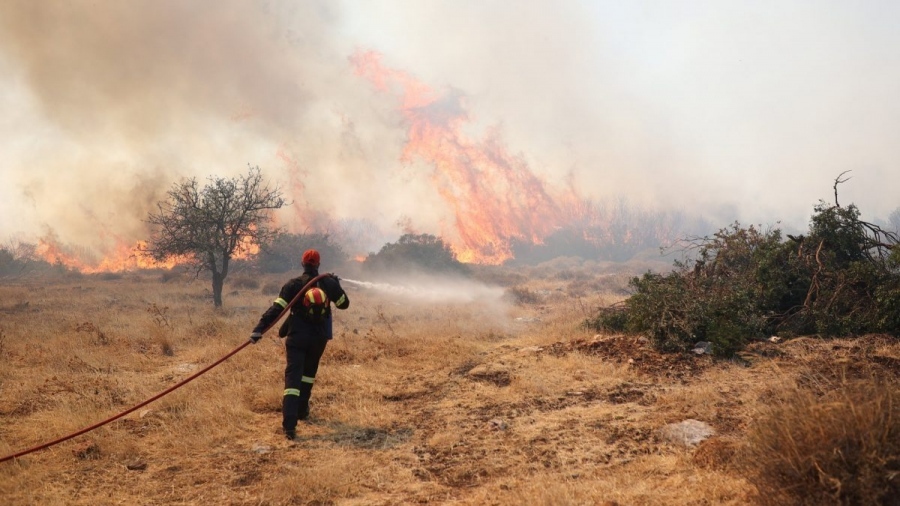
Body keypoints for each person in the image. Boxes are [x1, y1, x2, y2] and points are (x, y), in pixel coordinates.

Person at [249, 249, 350, 440]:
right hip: (319, 338)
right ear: (318, 264)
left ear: (303, 264)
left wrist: (258, 330)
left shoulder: (293, 284)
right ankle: (302, 411)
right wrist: (335, 284)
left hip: (297, 337)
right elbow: (344, 304)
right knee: (308, 376)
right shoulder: (328, 282)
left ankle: (290, 425)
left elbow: (276, 309)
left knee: (293, 378)